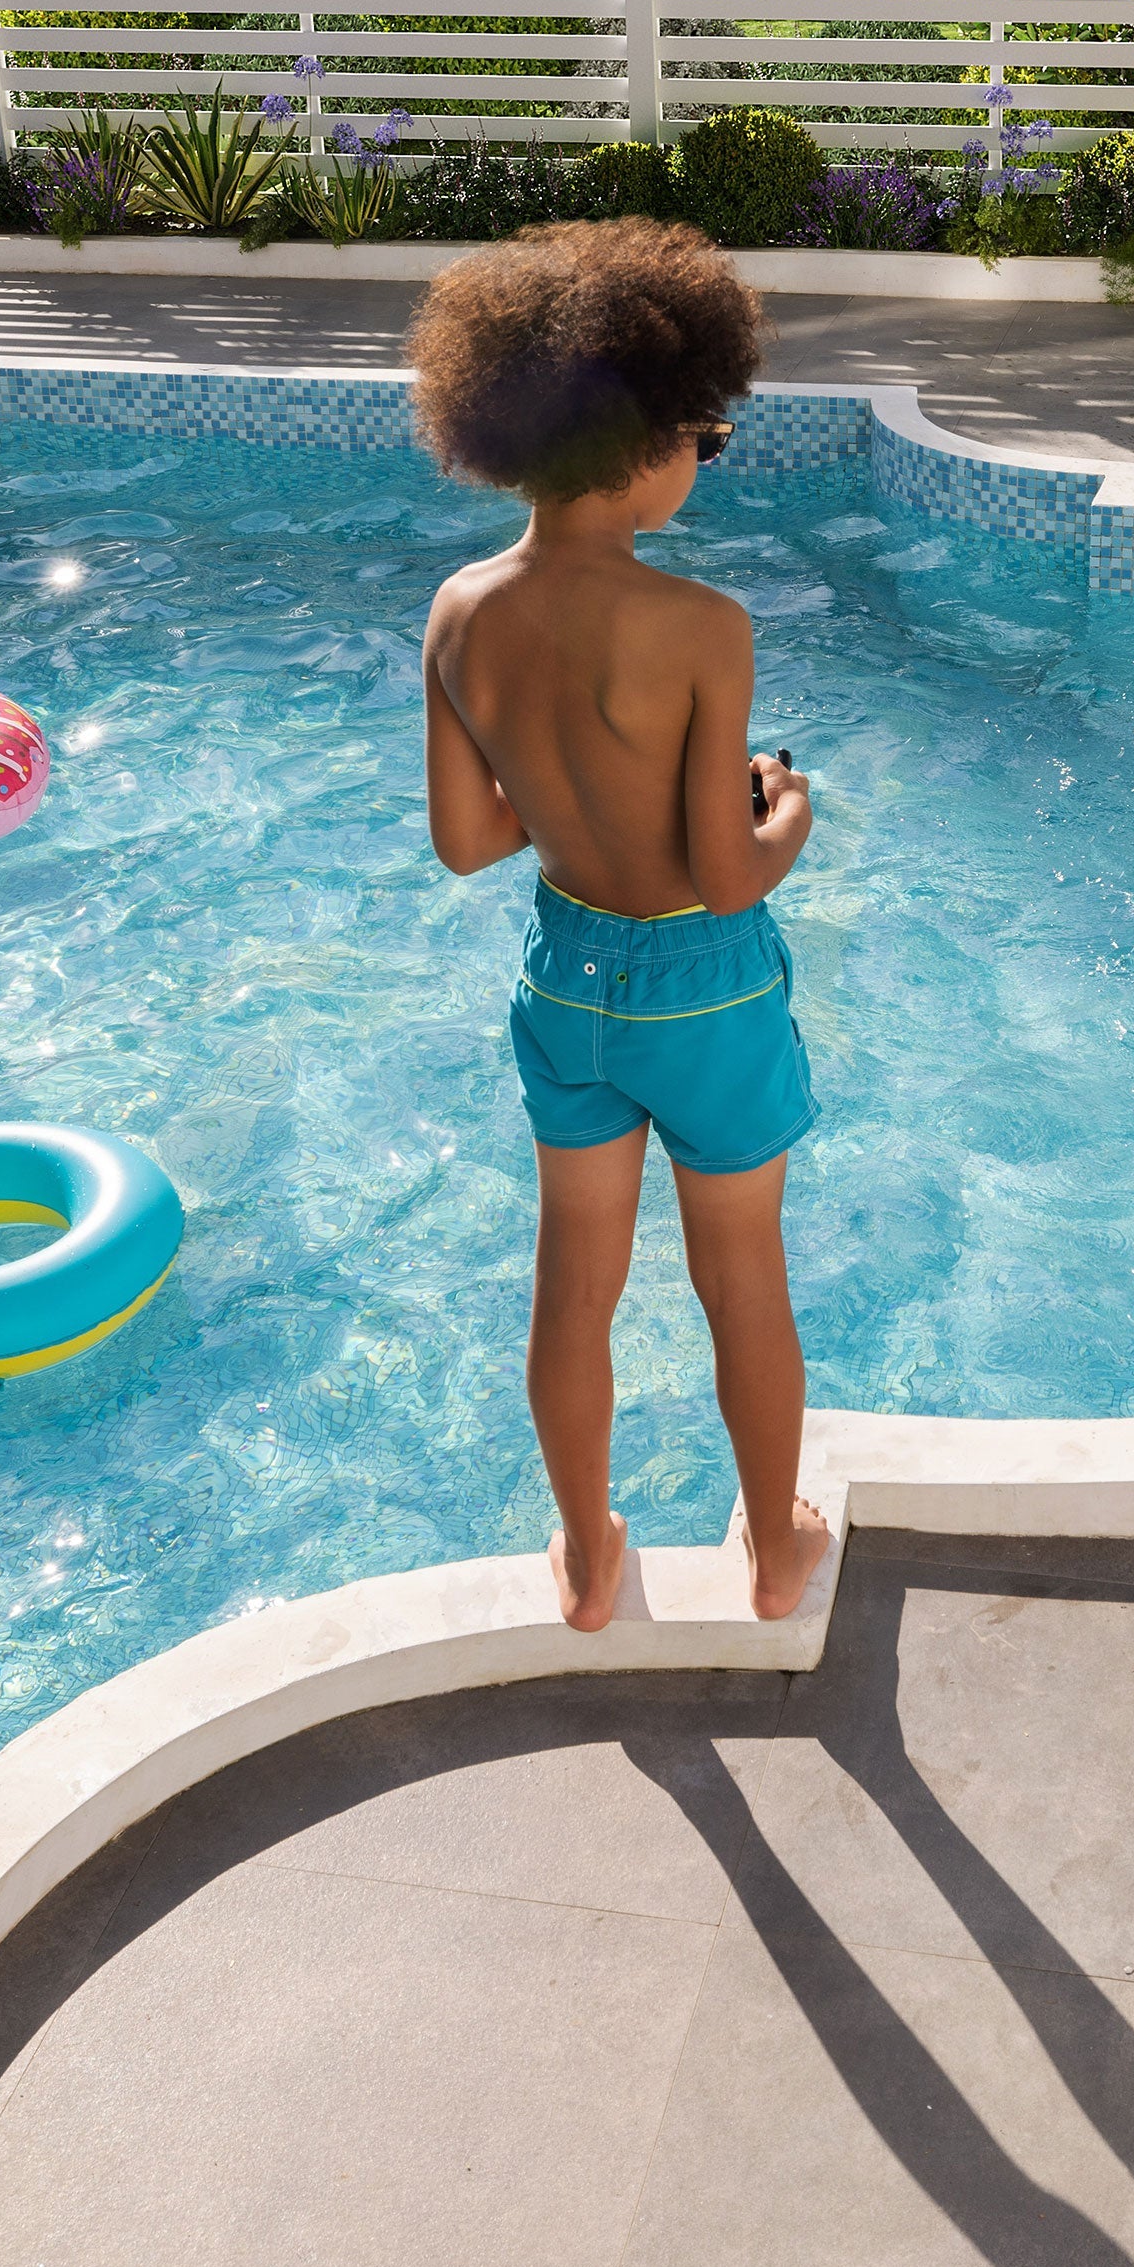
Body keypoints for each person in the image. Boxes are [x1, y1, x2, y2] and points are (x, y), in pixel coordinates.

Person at [410, 220, 836, 1634]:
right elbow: (728, 876)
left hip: (565, 977)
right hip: (705, 987)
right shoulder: (701, 621)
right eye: (706, 437)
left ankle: (590, 1557)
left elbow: (470, 840)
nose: (705, 459)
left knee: (574, 1288)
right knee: (741, 1281)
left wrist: (570, 791)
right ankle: (774, 1555)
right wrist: (791, 813)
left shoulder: (460, 609)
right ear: (652, 441)